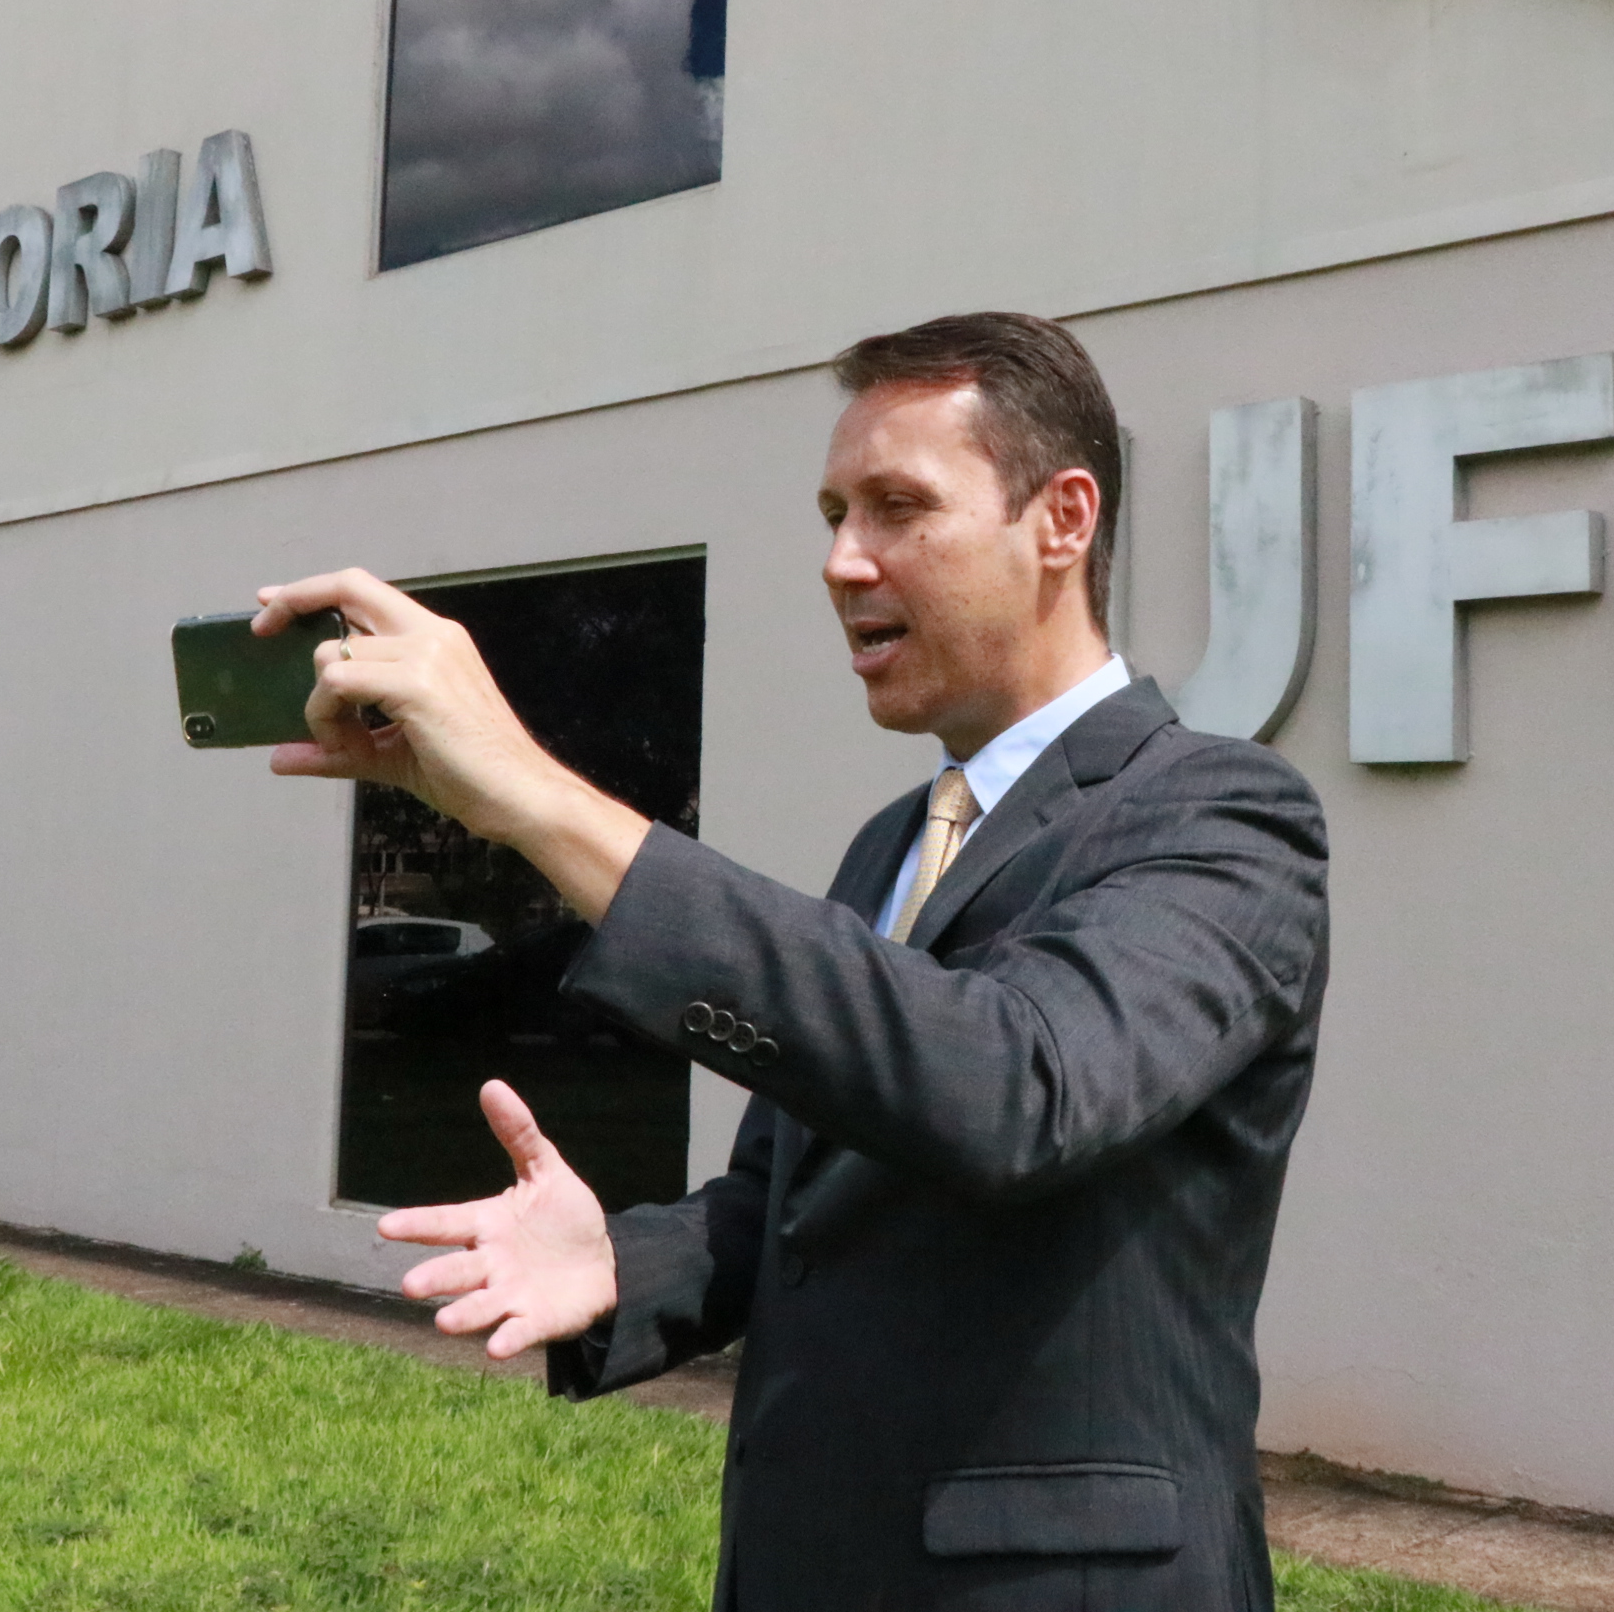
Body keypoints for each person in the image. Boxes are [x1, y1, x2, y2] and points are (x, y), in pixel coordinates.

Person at [258, 312, 1329, 1610]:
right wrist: (625, 1264)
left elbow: (1020, 1091)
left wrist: (539, 800)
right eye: (833, 514)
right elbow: (789, 1199)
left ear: (1061, 519)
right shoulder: (895, 842)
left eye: (897, 508)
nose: (841, 561)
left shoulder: (1221, 813)